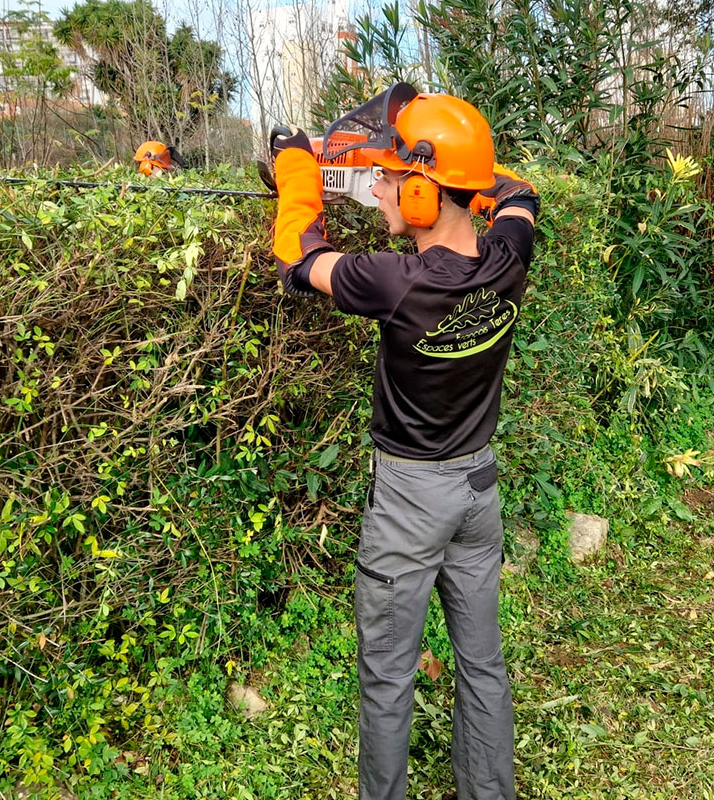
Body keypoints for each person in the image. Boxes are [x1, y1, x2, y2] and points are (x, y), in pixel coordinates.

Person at [269, 83, 539, 800]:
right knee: (482, 664)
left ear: (423, 194)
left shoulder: (395, 281)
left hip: (411, 501)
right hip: (479, 491)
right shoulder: (508, 257)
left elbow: (298, 255)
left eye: (390, 180)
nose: (379, 193)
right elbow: (519, 195)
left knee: (388, 677)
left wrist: (295, 165)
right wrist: (459, 168)